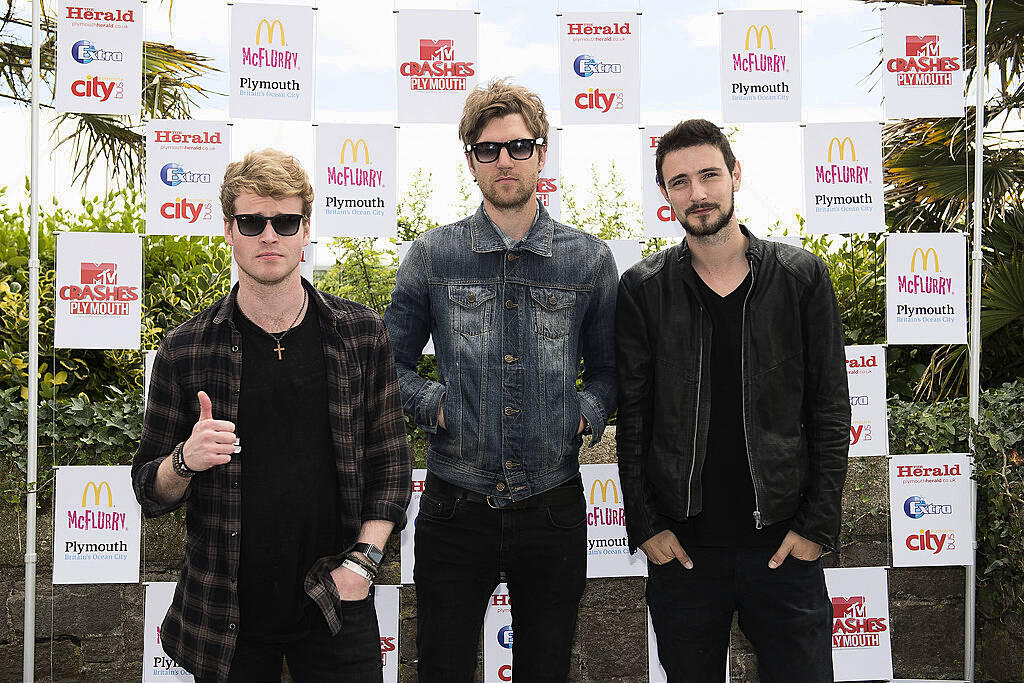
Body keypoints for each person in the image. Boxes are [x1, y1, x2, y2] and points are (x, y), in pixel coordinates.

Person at [132, 148, 412, 682]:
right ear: (229, 230)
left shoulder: (359, 334)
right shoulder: (186, 350)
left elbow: (392, 467)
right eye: (252, 221)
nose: (269, 235)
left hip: (335, 602)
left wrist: (362, 565)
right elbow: (150, 489)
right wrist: (185, 460)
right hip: (226, 613)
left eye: (284, 221)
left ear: (306, 230)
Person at [383, 78, 617, 681]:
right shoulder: (433, 256)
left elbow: (613, 371)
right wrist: (436, 405)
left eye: (518, 146)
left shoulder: (588, 260)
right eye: (488, 149)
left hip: (552, 505)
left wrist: (582, 412)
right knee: (444, 667)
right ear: (470, 160)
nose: (504, 160)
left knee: (547, 669)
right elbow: (388, 366)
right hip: (454, 505)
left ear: (542, 153)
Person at [616, 119, 850, 682]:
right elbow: (634, 420)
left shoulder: (801, 279)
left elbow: (830, 410)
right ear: (665, 194)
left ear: (735, 176)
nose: (696, 193)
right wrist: (647, 528)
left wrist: (815, 529)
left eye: (709, 175)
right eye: (679, 182)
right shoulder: (643, 289)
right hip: (686, 553)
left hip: (783, 545)